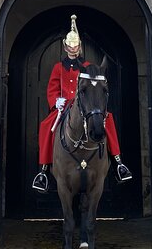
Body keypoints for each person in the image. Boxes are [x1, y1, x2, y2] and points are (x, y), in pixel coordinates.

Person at [32, 14, 132, 193]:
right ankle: (44, 171)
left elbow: (95, 87)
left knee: (107, 120)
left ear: (79, 46)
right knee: (46, 125)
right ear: (65, 46)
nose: (72, 48)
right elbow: (52, 89)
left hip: (85, 106)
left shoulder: (88, 66)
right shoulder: (58, 67)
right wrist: (57, 101)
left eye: (75, 45)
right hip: (65, 107)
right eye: (69, 45)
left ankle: (118, 162)